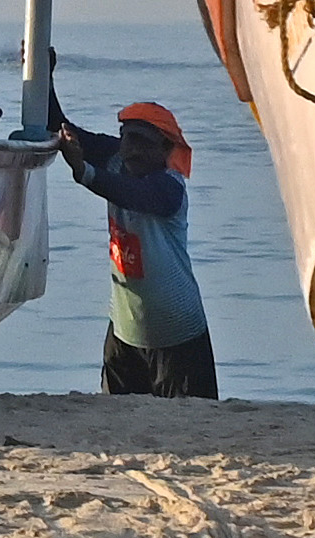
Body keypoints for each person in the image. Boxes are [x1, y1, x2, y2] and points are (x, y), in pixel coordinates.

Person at [54, 98, 218, 400]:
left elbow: (130, 194)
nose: (132, 149)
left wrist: (84, 171)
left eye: (143, 142)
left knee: (189, 425)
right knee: (117, 421)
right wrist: (42, 75)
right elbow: (59, 126)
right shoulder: (117, 159)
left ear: (166, 150)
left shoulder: (169, 189)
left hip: (177, 335)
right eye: (127, 138)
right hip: (124, 332)